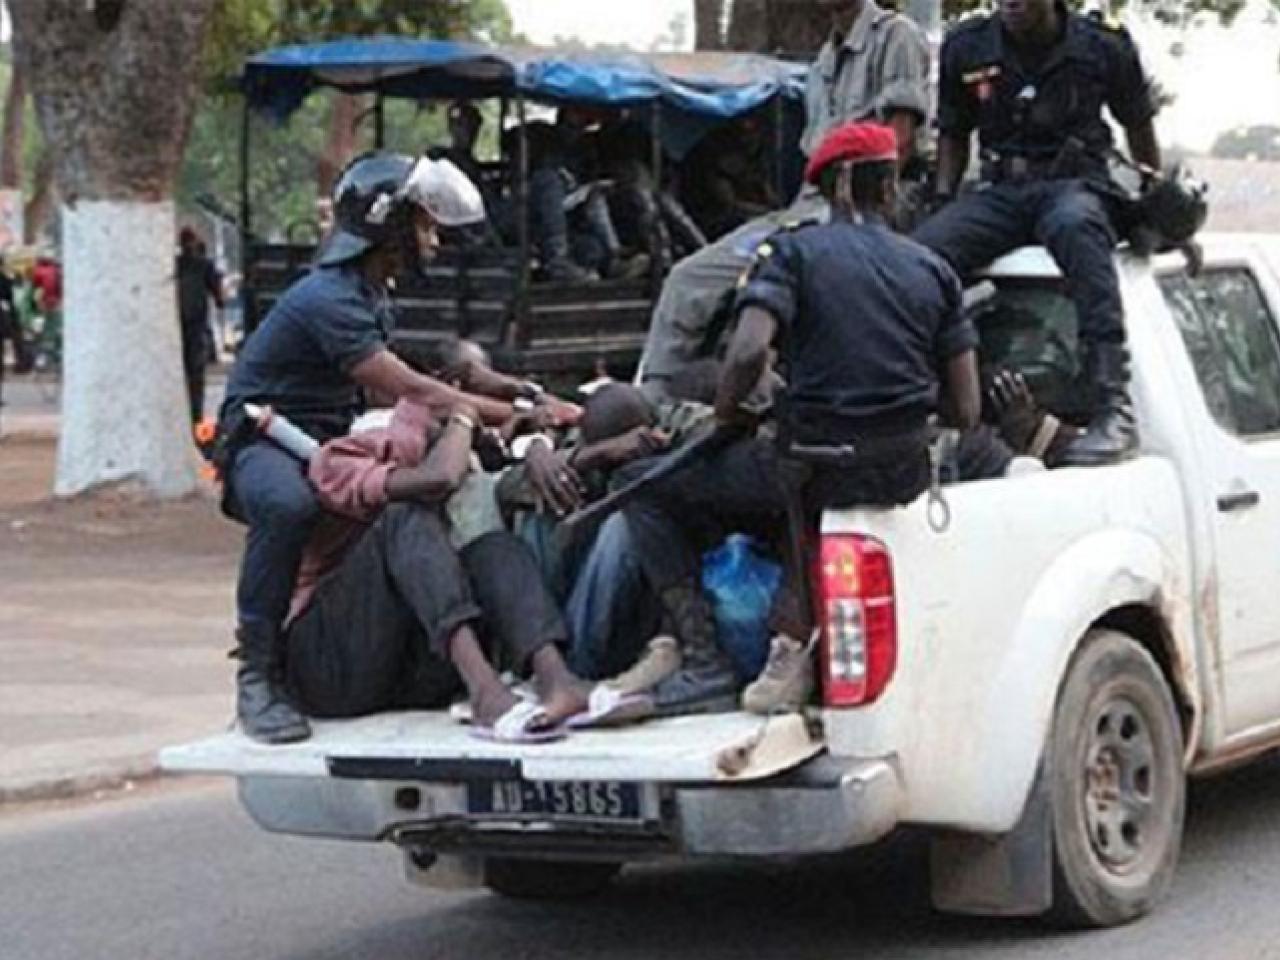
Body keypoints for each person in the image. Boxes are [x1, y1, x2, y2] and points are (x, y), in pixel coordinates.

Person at [616, 122, 981, 715]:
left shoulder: (794, 252)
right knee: (796, 490)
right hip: (903, 473)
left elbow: (748, 351)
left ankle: (704, 659)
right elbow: (966, 408)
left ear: (835, 186)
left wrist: (727, 413)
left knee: (638, 486)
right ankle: (792, 644)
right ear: (887, 186)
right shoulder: (933, 268)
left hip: (812, 466)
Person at [218, 151, 524, 745]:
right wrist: (516, 411)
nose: (434, 241)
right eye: (425, 225)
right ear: (388, 225)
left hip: (326, 431)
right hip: (261, 438)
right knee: (290, 506)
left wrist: (493, 389)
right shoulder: (327, 296)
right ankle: (258, 673)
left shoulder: (371, 293)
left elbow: (419, 373)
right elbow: (408, 387)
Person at [637, 0, 930, 402]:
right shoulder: (823, 61)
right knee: (689, 280)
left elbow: (900, 142)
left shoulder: (896, 36)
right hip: (806, 209)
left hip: (861, 203)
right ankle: (652, 406)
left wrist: (858, 211)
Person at [912, 0, 1162, 466]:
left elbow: (1139, 126)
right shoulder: (969, 46)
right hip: (1002, 190)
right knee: (921, 257)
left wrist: (1154, 198)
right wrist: (943, 201)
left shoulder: (1103, 46)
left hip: (1074, 184)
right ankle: (924, 391)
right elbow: (953, 132)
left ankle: (1113, 406)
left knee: (1077, 230)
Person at [285, 395, 590, 739]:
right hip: (331, 668)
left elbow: (511, 475)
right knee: (401, 517)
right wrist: (463, 415)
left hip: (410, 669)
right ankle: (485, 691)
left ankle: (556, 679)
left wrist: (534, 443)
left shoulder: (459, 457)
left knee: (492, 547)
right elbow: (440, 477)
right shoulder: (347, 454)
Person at [175, 228, 225, 424]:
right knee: (195, 371)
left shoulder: (177, 266)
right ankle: (195, 414)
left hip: (183, 323)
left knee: (187, 369)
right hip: (195, 322)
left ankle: (190, 414)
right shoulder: (203, 265)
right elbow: (218, 295)